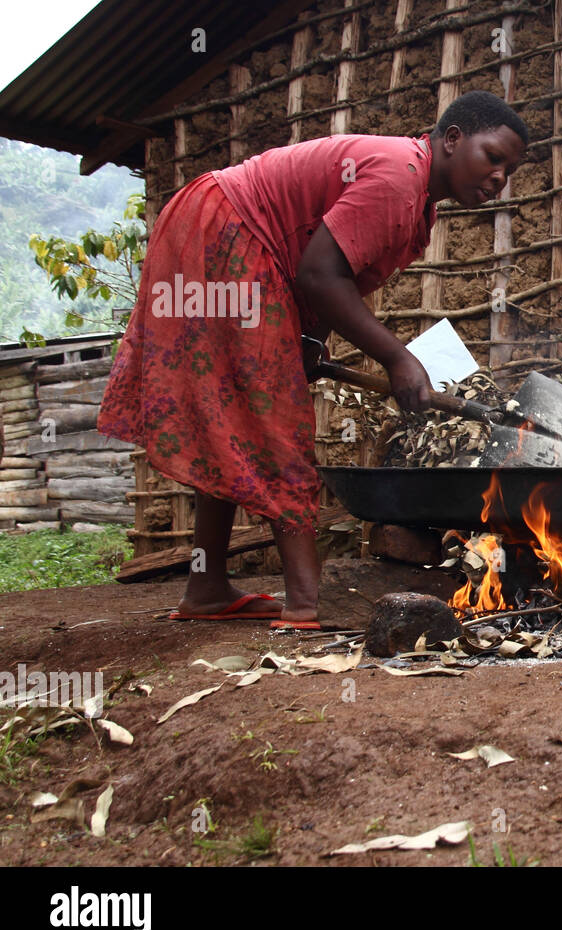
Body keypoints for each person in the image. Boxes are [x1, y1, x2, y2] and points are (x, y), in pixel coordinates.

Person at [98, 91, 528, 628]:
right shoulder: (398, 176)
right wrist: (398, 359)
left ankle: (206, 587)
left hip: (231, 233)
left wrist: (309, 344)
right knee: (277, 418)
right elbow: (319, 275)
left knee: (228, 416)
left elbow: (328, 277)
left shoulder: (418, 204)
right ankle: (304, 603)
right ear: (453, 138)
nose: (498, 179)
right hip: (227, 232)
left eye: (508, 171)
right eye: (493, 158)